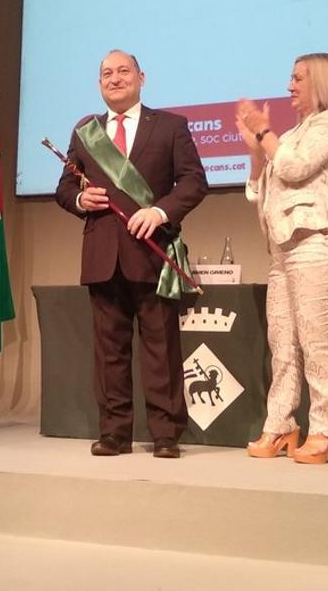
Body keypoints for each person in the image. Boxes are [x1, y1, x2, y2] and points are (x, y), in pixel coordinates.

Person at [55, 49, 208, 459]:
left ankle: (165, 434)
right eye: (106, 73)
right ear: (99, 83)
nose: (115, 78)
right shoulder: (86, 133)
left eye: (123, 71)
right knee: (109, 353)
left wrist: (158, 211)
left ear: (141, 77)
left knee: (161, 348)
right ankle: (114, 433)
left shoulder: (171, 127)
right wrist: (81, 198)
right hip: (103, 255)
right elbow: (64, 189)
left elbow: (194, 182)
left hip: (152, 253)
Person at [235, 53, 328, 464]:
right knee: (281, 343)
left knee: (316, 340)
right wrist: (255, 149)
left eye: (298, 78)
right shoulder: (294, 131)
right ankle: (281, 424)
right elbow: (258, 191)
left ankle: (325, 429)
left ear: (320, 81)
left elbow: (295, 167)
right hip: (283, 248)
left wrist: (265, 132)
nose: (289, 86)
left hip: (317, 240)